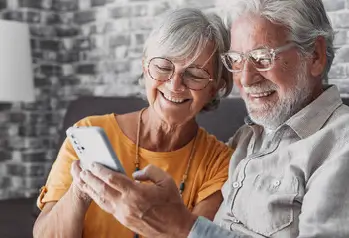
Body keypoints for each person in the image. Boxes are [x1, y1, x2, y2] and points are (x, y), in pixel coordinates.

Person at [74, 0, 349, 237]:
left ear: (315, 55)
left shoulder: (340, 145)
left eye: (263, 58)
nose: (245, 79)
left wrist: (182, 227)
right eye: (237, 60)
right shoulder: (246, 139)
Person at [33, 8, 234, 238]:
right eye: (163, 66)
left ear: (215, 87)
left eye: (195, 74)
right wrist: (80, 190)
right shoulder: (87, 132)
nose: (175, 84)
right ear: (145, 67)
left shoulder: (220, 164)